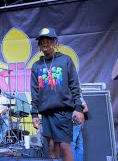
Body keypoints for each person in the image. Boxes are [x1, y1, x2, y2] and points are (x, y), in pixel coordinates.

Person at [30, 28, 84, 161]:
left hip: (64, 111)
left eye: (48, 41)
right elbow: (34, 91)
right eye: (42, 42)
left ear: (55, 42)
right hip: (46, 113)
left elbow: (74, 85)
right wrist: (34, 113)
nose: (45, 44)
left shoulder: (65, 60)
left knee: (65, 146)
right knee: (51, 147)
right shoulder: (36, 66)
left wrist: (78, 108)